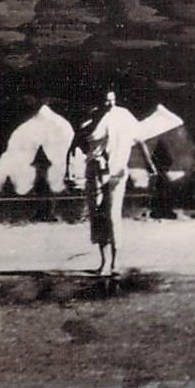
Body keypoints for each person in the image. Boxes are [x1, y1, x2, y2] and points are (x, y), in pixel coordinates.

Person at [84, 90, 146, 275]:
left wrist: (149, 165)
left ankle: (115, 263)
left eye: (113, 100)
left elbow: (139, 138)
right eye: (106, 100)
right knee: (97, 216)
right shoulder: (91, 118)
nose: (110, 104)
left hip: (117, 172)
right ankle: (104, 263)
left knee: (112, 216)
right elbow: (80, 142)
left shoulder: (124, 115)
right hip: (95, 171)